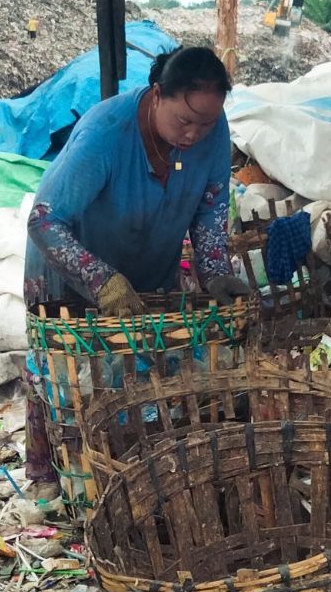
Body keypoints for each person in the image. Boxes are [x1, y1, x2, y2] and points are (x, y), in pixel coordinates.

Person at [21, 45, 252, 498]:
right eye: (184, 121)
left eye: (206, 123)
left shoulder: (211, 131)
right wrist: (100, 280)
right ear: (156, 94)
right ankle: (54, 478)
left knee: (139, 376)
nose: (194, 134)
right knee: (66, 379)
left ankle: (131, 474)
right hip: (70, 271)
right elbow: (44, 221)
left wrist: (214, 271)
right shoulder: (105, 134)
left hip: (149, 263)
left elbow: (209, 208)